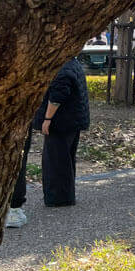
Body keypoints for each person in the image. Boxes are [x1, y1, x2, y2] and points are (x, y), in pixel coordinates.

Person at [32, 55, 90, 207]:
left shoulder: (62, 67)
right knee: (66, 159)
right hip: (72, 120)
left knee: (55, 161)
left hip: (60, 122)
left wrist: (47, 119)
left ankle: (58, 198)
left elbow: (57, 95)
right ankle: (65, 195)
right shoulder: (73, 62)